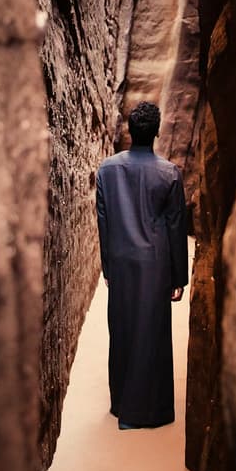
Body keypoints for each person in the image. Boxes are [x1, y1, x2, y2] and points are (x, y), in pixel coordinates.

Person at [94, 101, 189, 430]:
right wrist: (179, 276)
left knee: (121, 329)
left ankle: (121, 403)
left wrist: (108, 268)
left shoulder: (107, 170)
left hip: (121, 262)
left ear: (130, 131)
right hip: (155, 264)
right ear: (157, 132)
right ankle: (149, 410)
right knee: (152, 332)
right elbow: (176, 226)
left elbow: (103, 223)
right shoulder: (170, 173)